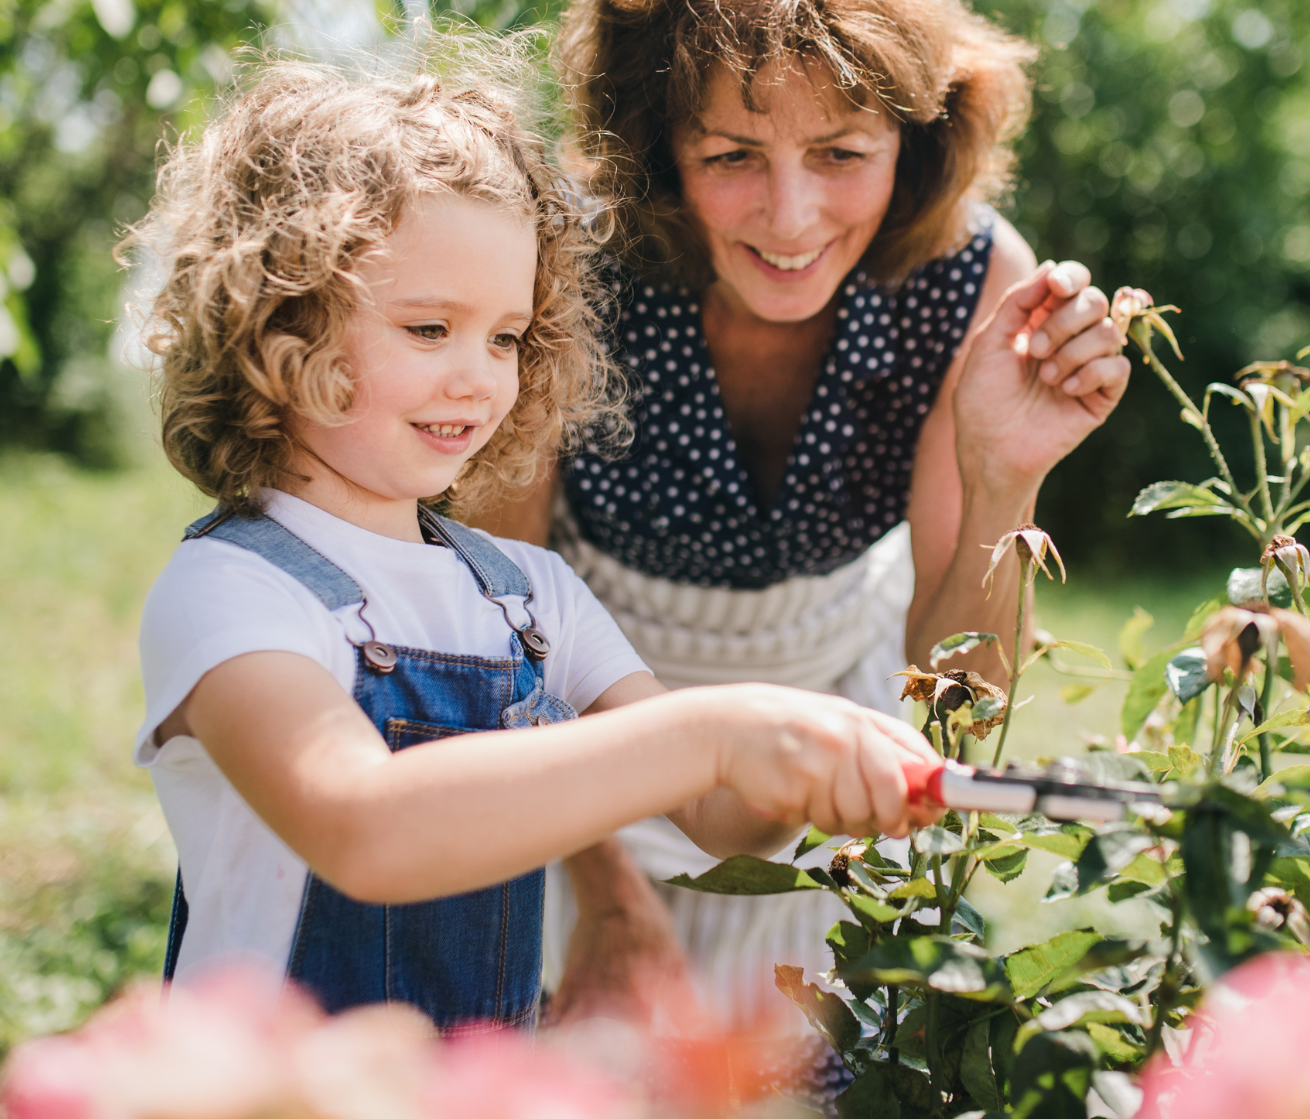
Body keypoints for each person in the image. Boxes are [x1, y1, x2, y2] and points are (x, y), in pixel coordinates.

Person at [123, 47, 941, 1034]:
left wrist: (809, 766)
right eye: (431, 328)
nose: (480, 378)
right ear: (280, 323)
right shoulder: (232, 591)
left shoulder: (530, 597)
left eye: (506, 337)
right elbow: (364, 827)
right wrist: (719, 731)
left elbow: (721, 819)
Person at [466, 0, 1134, 1024]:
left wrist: (1005, 477)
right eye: (733, 155)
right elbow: (507, 617)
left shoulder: (970, 282)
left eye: (840, 152)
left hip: (840, 725)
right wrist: (604, 894)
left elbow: (963, 698)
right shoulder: (571, 261)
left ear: (915, 144)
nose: (790, 216)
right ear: (654, 144)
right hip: (584, 735)